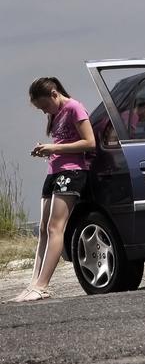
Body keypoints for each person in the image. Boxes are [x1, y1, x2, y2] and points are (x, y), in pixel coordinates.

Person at [9, 77, 96, 302]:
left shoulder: (74, 108)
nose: (44, 111)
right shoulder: (55, 113)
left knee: (56, 227)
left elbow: (89, 142)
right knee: (44, 229)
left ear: (54, 94)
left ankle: (43, 285)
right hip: (54, 172)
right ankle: (33, 284)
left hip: (73, 172)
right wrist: (46, 151)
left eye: (45, 106)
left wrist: (53, 147)